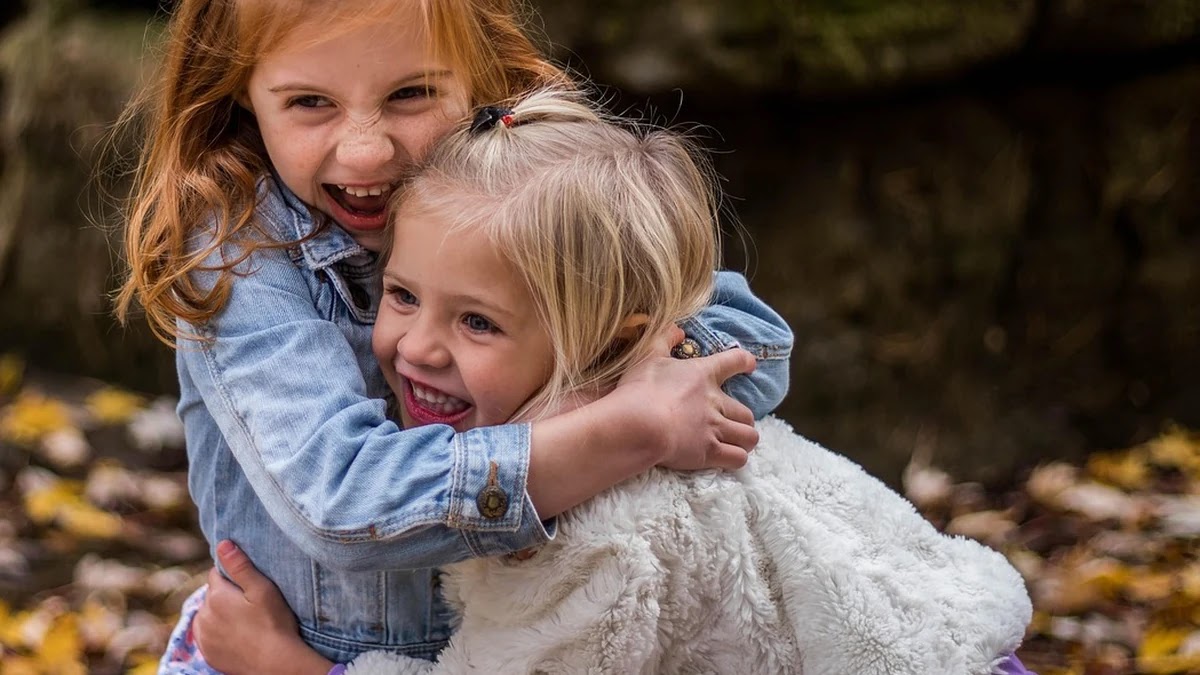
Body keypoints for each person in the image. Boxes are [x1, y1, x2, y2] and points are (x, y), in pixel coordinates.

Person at [191, 89, 1037, 675]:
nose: (418, 346)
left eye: (478, 322)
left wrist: (289, 666)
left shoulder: (608, 532)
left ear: (614, 341)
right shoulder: (642, 408)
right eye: (402, 294)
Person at [113, 0, 792, 670]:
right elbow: (343, 501)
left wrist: (604, 391)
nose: (366, 151)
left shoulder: (525, 185)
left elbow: (751, 341)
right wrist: (620, 428)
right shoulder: (238, 251)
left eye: (410, 94)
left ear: (479, 70)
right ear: (239, 90)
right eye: (310, 103)